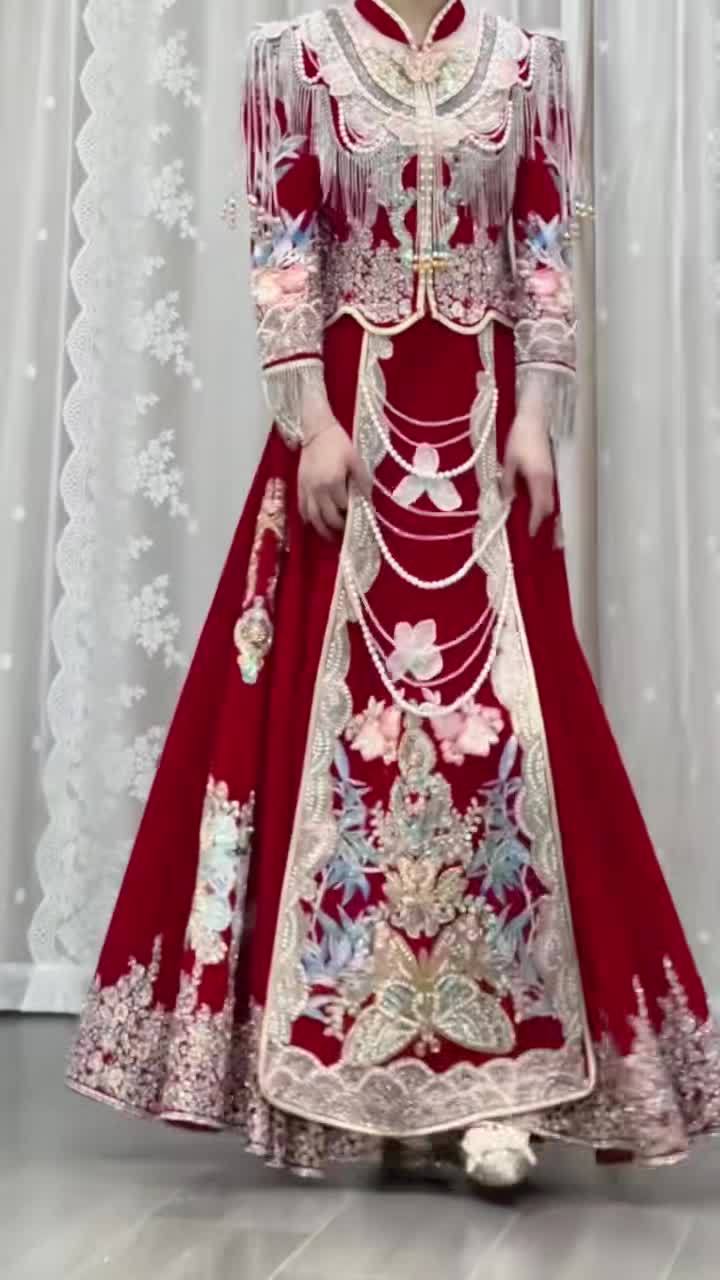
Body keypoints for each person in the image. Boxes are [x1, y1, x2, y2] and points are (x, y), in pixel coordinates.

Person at [67, 0, 720, 1188]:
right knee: (340, 750)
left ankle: (501, 1091)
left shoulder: (527, 65)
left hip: (480, 436)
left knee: (507, 744)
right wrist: (312, 419)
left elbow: (541, 254)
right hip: (349, 441)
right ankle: (360, 1073)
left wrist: (537, 415)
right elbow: (284, 249)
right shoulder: (296, 60)